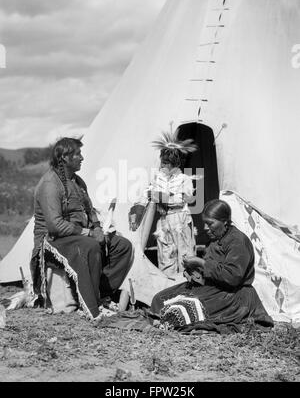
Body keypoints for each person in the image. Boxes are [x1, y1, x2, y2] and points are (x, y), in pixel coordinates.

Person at [30, 137, 132, 320]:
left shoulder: (78, 182)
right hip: (52, 240)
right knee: (90, 246)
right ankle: (92, 306)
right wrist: (89, 233)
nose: (82, 158)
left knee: (122, 245)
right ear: (64, 158)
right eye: (78, 154)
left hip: (79, 235)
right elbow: (55, 225)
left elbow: (90, 210)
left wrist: (98, 228)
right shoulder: (50, 184)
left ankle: (100, 293)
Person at [150, 199, 274, 333]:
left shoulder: (238, 241)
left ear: (224, 221)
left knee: (180, 311)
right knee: (159, 300)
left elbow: (232, 277)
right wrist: (193, 272)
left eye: (210, 224)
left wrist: (201, 263)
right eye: (205, 223)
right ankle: (168, 319)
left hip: (232, 296)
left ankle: (172, 320)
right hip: (210, 289)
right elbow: (209, 272)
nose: (205, 228)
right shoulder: (215, 239)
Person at [129, 131, 198, 278]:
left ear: (175, 164)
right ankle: (169, 286)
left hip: (181, 219)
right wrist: (138, 210)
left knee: (185, 255)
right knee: (166, 257)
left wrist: (161, 197)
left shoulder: (184, 179)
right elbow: (146, 195)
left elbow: (187, 198)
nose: (162, 166)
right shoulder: (157, 179)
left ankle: (188, 285)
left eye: (166, 163)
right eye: (162, 162)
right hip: (164, 221)